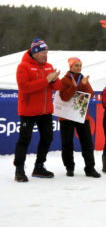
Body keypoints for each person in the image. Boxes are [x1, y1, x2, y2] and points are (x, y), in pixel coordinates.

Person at [14, 38, 61, 182]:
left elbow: (57, 87)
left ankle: (39, 166)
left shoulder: (48, 66)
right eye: (42, 52)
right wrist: (46, 80)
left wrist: (53, 80)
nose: (45, 55)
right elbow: (25, 88)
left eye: (46, 52)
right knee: (24, 140)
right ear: (34, 52)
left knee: (48, 137)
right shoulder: (23, 66)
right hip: (28, 111)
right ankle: (19, 170)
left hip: (45, 111)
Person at [58, 57, 101, 178]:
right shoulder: (64, 80)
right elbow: (64, 98)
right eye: (76, 65)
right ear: (70, 67)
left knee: (87, 143)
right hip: (66, 117)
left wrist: (83, 85)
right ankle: (69, 168)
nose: (79, 68)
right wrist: (74, 87)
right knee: (67, 143)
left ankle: (90, 168)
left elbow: (91, 94)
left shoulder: (83, 79)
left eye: (80, 65)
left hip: (81, 115)